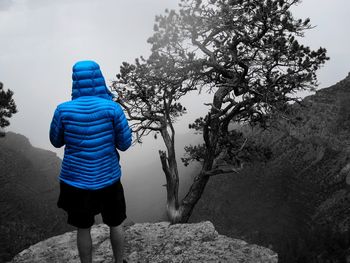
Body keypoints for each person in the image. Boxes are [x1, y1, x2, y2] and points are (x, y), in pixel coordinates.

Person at [49, 60, 132, 263]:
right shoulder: (112, 109)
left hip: (75, 181)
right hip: (108, 177)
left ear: (75, 80)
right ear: (99, 78)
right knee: (116, 224)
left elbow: (56, 141)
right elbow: (124, 144)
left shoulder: (63, 110)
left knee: (83, 228)